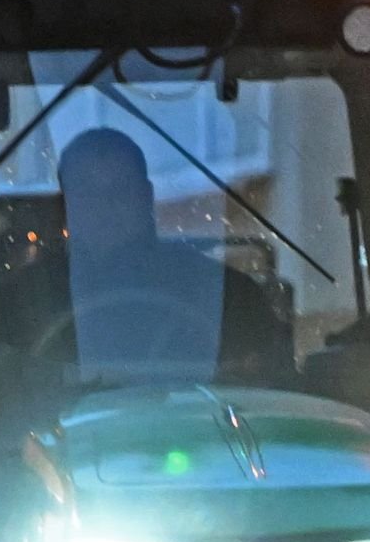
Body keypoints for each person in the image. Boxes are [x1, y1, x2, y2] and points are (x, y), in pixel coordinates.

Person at [39, 128, 293, 387]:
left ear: (146, 197)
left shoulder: (226, 294)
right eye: (88, 193)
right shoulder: (27, 300)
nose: (107, 205)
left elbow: (260, 391)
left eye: (122, 190)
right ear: (65, 206)